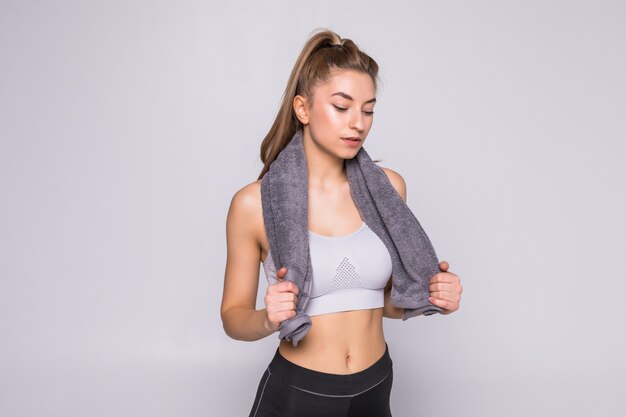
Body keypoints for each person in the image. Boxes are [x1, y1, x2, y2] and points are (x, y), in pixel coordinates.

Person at [220, 28, 463, 417]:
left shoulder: (389, 189)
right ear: (302, 109)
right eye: (342, 106)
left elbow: (372, 300)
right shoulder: (254, 204)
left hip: (377, 383)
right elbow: (233, 317)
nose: (358, 123)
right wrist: (267, 319)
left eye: (368, 110)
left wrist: (434, 296)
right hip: (300, 391)